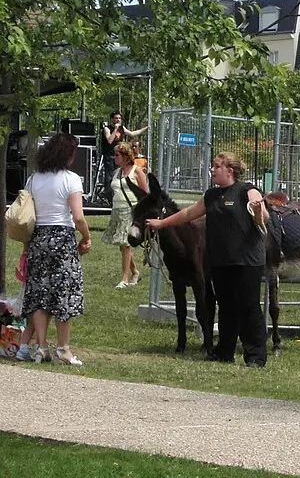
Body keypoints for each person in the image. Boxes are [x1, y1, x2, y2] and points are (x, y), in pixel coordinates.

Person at [146, 152, 269, 367]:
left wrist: (258, 211)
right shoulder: (211, 195)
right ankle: (224, 352)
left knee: (248, 307)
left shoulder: (247, 191)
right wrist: (161, 224)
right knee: (226, 308)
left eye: (216, 166)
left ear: (229, 171)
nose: (212, 170)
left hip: (247, 262)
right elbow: (187, 214)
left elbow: (262, 217)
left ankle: (255, 355)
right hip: (220, 261)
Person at [20, 132, 92, 366]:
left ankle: (41, 346)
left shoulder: (34, 179)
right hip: (61, 238)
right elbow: (78, 216)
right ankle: (63, 348)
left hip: (39, 238)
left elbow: (27, 216)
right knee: (65, 293)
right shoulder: (71, 179)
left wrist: (26, 247)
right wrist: (86, 237)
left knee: (40, 293)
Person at [102, 142, 148, 289]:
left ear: (126, 156)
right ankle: (135, 271)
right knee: (122, 245)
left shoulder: (137, 171)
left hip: (130, 210)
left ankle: (125, 278)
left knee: (126, 244)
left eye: (117, 155)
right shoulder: (117, 172)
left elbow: (145, 193)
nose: (115, 157)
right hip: (117, 211)